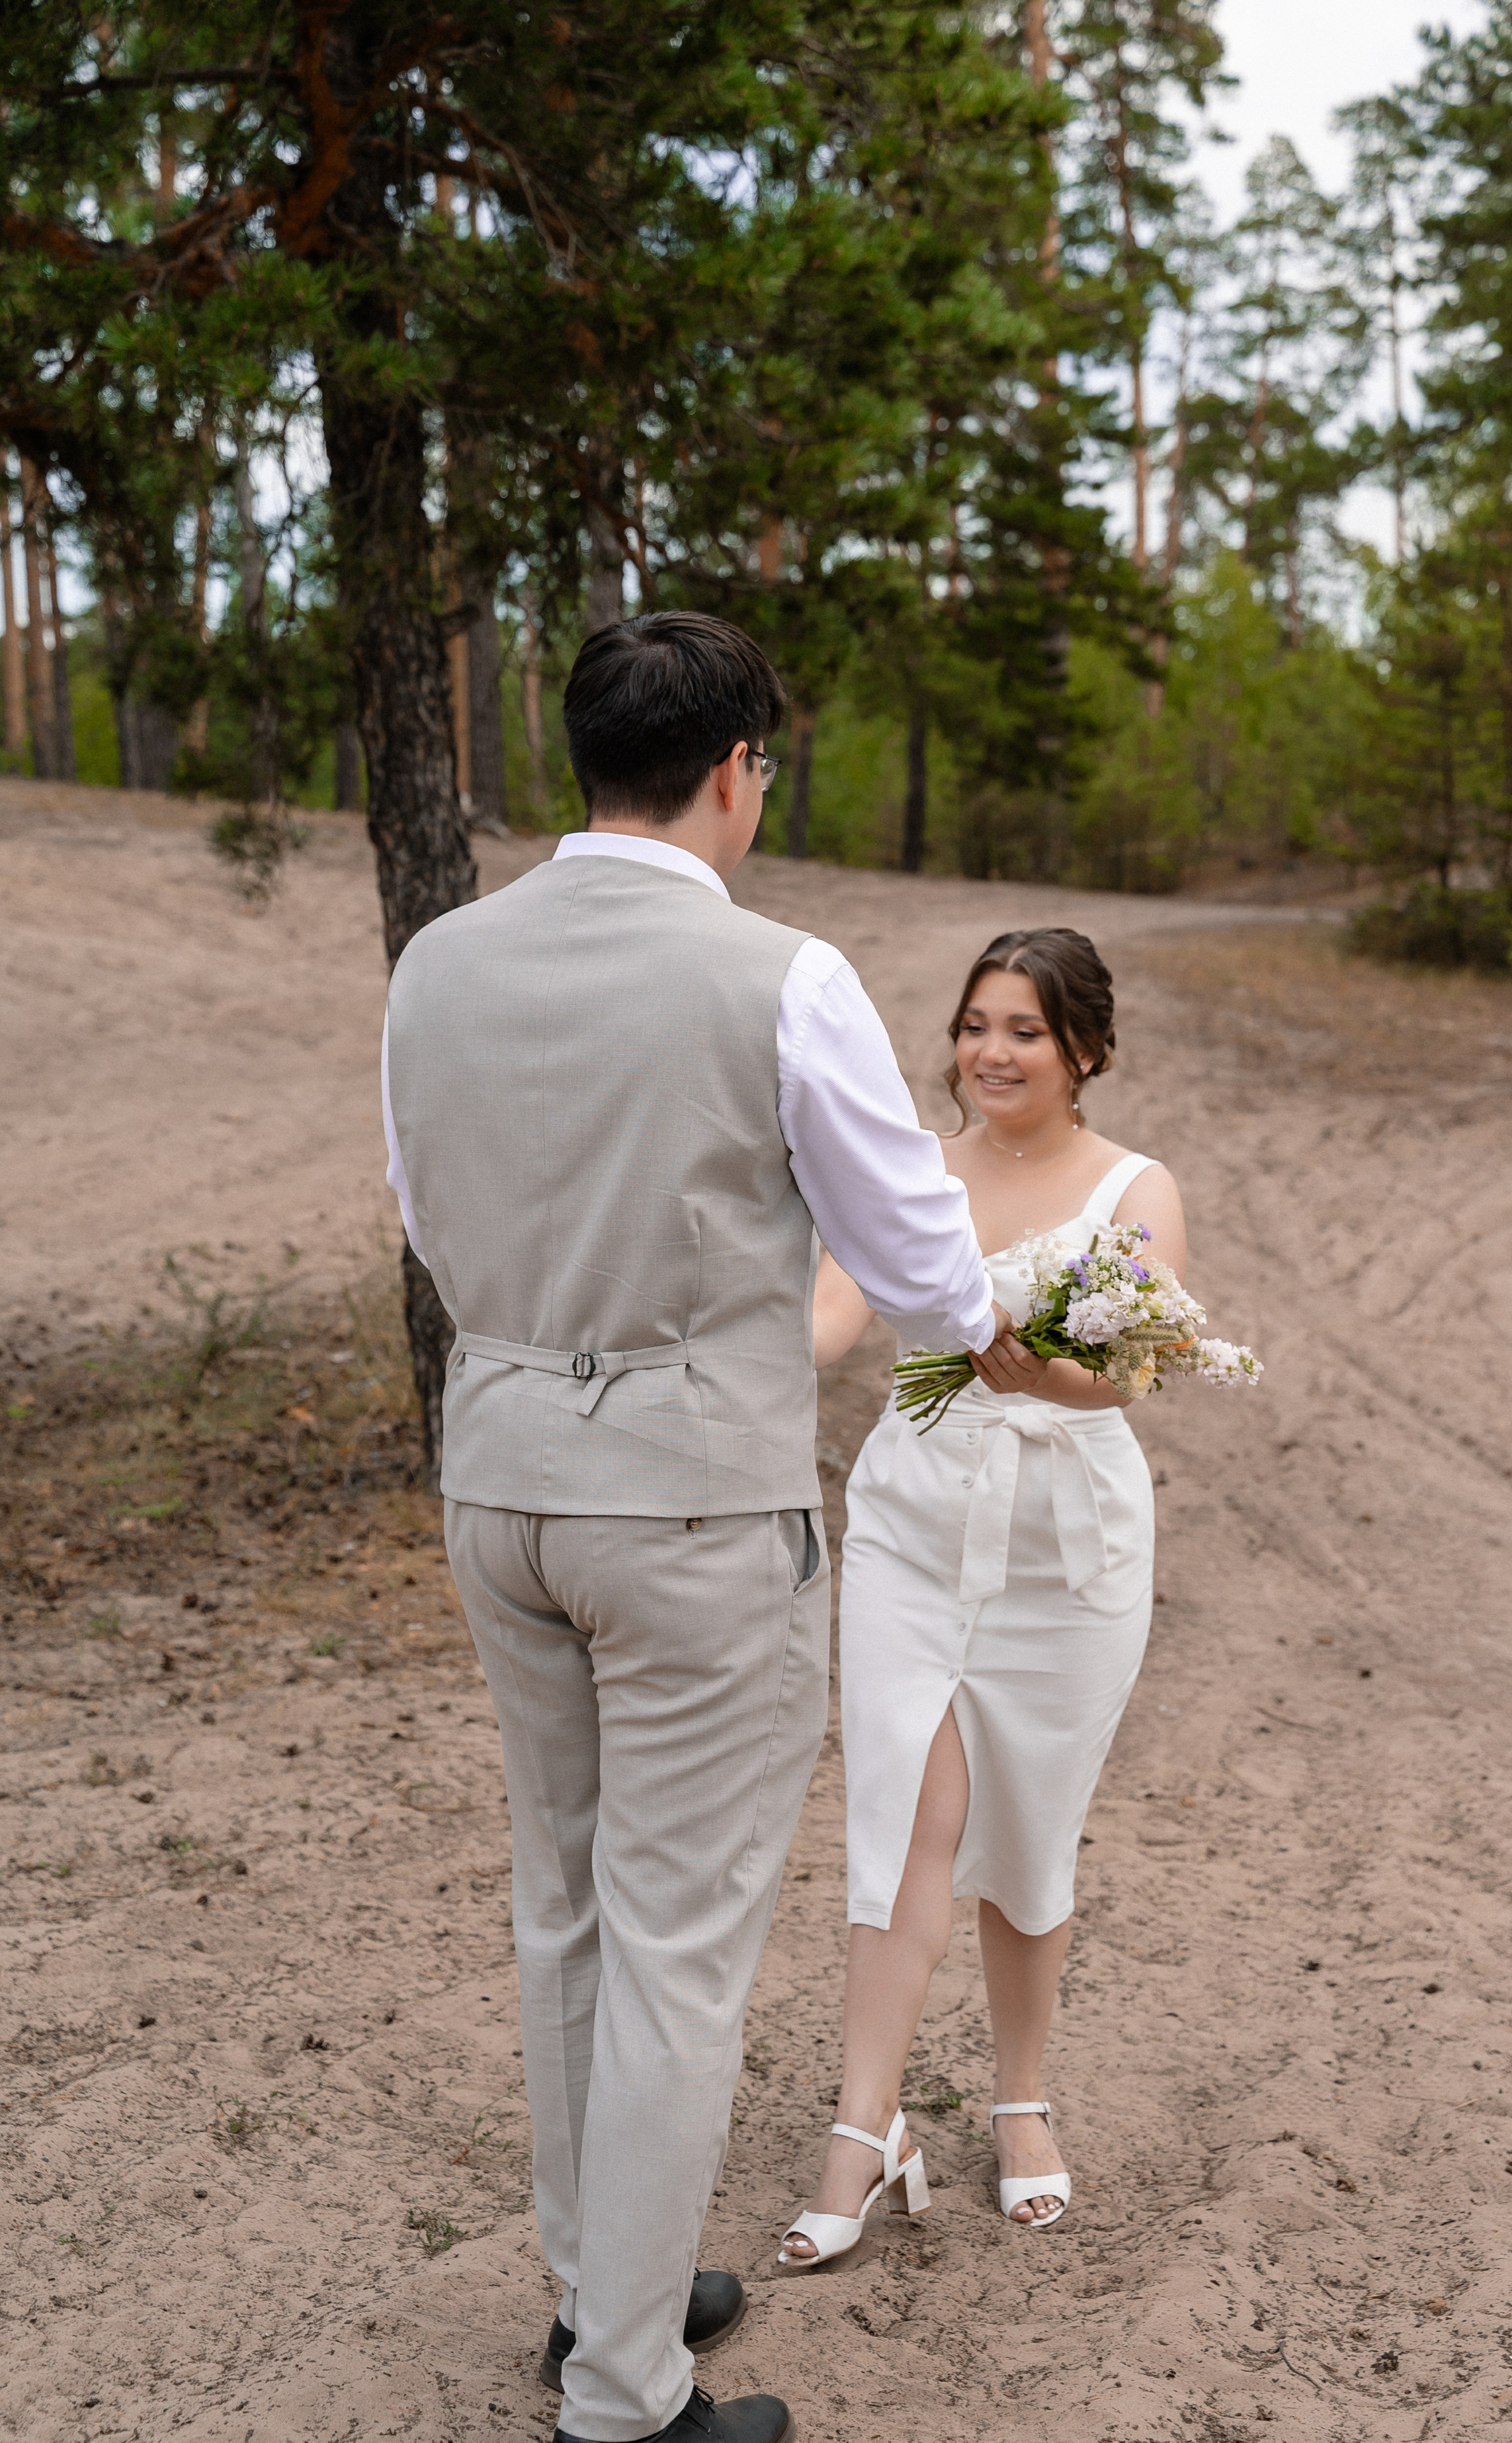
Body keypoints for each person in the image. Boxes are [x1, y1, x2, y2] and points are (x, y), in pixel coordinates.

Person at [380, 612, 1011, 2443]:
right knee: (674, 1944)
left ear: (587, 762)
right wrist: (960, 1327)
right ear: (743, 767)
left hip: (499, 1479)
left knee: (563, 1906)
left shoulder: (437, 961)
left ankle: (604, 2295)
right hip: (689, 1501)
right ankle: (626, 2399)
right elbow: (920, 1270)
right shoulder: (782, 976)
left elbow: (428, 1210)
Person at [778, 928, 1184, 2266]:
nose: (988, 1053)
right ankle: (863, 2122)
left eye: (1020, 1029)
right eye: (972, 1026)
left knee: (1027, 1828)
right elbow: (835, 1311)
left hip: (1066, 1553)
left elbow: (1126, 1374)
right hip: (912, 1522)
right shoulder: (914, 1177)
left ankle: (1020, 2099)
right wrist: (756, 1365)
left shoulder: (1134, 1187)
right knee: (909, 1809)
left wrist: (1039, 1378)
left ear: (1081, 1048)